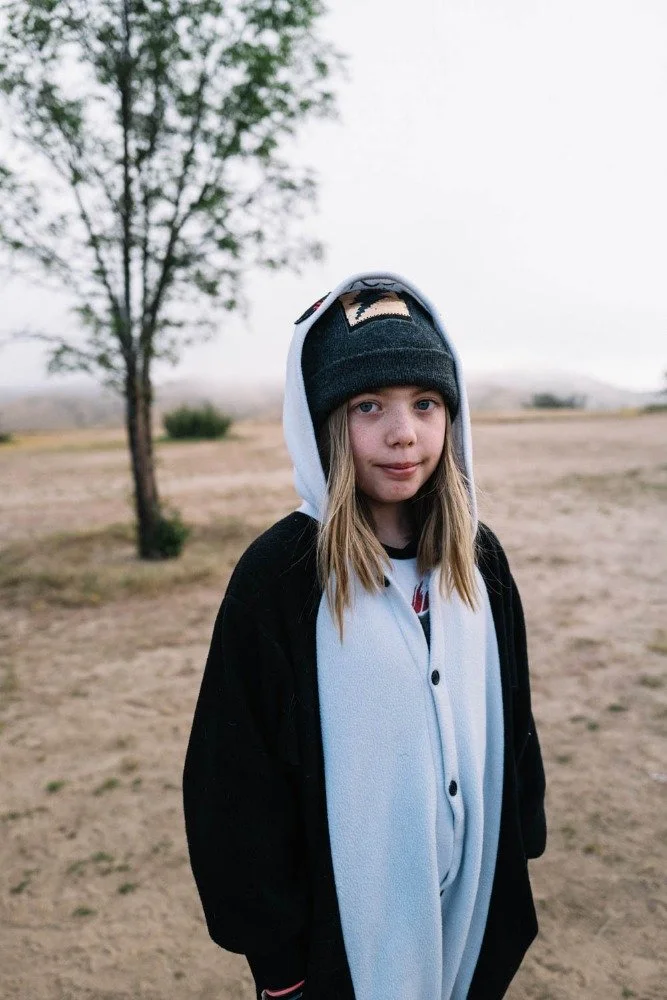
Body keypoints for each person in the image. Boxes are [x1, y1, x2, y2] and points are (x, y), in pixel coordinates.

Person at [182, 271, 547, 1000]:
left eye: (425, 403)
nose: (403, 432)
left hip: (469, 910)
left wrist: (521, 838)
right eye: (368, 405)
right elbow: (235, 783)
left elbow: (512, 714)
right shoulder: (282, 576)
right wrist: (278, 963)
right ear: (322, 421)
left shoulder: (478, 558)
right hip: (339, 949)